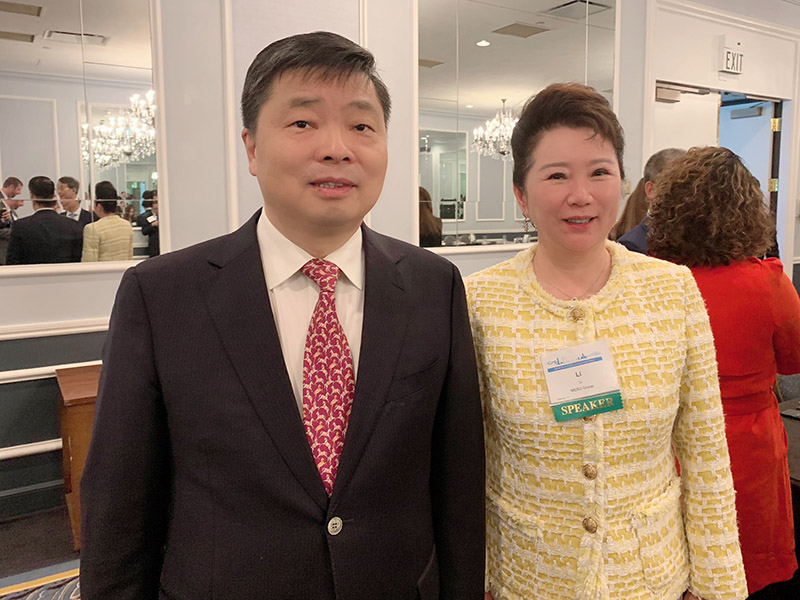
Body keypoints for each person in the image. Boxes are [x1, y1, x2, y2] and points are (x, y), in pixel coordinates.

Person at [80, 31, 485, 600]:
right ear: (251, 148)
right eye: (303, 122)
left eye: (361, 126)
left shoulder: (433, 285)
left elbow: (457, 482)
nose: (337, 148)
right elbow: (118, 503)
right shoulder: (162, 294)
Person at [465, 83, 746, 600]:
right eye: (556, 175)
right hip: (528, 577)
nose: (581, 195)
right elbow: (468, 460)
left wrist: (719, 585)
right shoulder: (479, 300)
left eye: (599, 172)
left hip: (650, 577)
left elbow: (705, 451)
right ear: (521, 194)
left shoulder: (672, 290)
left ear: (623, 182)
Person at [648, 145, 800, 596]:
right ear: (748, 212)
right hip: (750, 441)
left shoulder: (657, 284)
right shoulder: (769, 282)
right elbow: (794, 361)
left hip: (674, 436)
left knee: (678, 557)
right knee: (747, 552)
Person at [616, 147, 685, 254]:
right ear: (651, 190)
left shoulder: (699, 239)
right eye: (677, 185)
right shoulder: (632, 246)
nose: (688, 193)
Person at [6, 176, 82, 265]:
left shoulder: (21, 226)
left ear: (32, 196)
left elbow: (12, 262)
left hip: (31, 273)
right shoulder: (73, 225)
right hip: (65, 273)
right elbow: (78, 260)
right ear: (54, 196)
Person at [81, 181, 133, 262]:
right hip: (123, 269)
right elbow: (129, 257)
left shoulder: (92, 228)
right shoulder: (126, 225)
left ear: (99, 206)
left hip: (102, 270)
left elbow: (89, 262)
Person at [1, 176, 25, 265]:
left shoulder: (10, 209)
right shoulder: (2, 202)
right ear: (11, 187)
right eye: (18, 189)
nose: (19, 193)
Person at [136, 190, 159, 257]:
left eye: (157, 202)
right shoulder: (147, 216)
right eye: (154, 203)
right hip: (154, 249)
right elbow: (144, 231)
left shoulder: (166, 216)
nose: (156, 205)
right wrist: (152, 225)